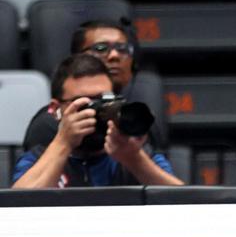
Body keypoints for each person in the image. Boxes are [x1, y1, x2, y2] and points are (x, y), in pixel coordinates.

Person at [11, 54, 182, 189]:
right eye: (87, 102)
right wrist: (63, 143)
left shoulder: (135, 152)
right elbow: (17, 209)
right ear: (55, 109)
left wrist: (134, 159)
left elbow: (186, 205)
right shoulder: (38, 157)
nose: (97, 110)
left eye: (104, 100)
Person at [21, 19, 167, 152]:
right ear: (78, 59)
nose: (114, 56)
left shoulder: (137, 118)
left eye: (122, 49)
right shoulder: (51, 123)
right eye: (101, 48)